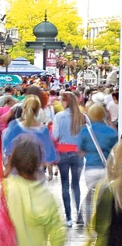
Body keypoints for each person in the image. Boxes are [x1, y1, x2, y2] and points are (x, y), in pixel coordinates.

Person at [80, 103, 119, 225]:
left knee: (90, 197)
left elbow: (80, 150)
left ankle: (89, 223)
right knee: (105, 197)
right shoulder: (111, 131)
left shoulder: (86, 131)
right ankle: (104, 221)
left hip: (91, 169)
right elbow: (116, 150)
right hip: (106, 169)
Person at [52, 91, 86, 226]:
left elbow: (55, 135)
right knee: (76, 185)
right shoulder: (83, 117)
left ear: (66, 101)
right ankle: (79, 214)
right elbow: (87, 136)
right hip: (78, 153)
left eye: (61, 100)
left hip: (63, 152)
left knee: (65, 184)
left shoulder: (59, 117)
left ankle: (68, 218)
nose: (60, 102)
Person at [2, 95, 57, 167]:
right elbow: (49, 156)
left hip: (18, 168)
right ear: (38, 110)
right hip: (36, 168)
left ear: (24, 108)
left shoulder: (14, 125)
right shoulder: (43, 130)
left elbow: (7, 150)